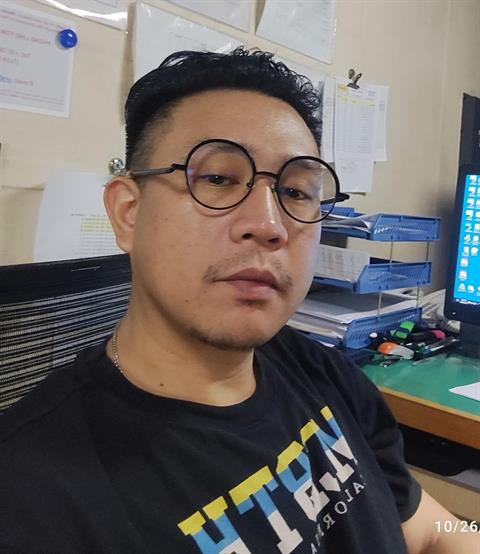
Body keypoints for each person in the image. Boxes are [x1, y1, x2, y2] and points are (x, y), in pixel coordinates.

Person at [1, 48, 478, 554]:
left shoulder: (321, 371)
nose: (270, 225)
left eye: (295, 192)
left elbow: (431, 529)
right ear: (128, 213)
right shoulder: (31, 501)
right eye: (218, 179)